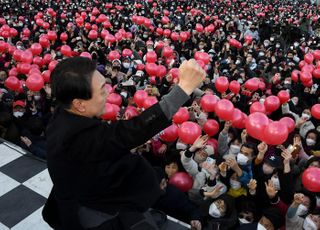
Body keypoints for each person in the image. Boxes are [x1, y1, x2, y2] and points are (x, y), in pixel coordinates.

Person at [42, 56, 205, 230]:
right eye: (102, 89)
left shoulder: (63, 116)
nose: (108, 93)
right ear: (79, 104)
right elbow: (137, 129)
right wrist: (183, 89)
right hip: (97, 215)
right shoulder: (79, 137)